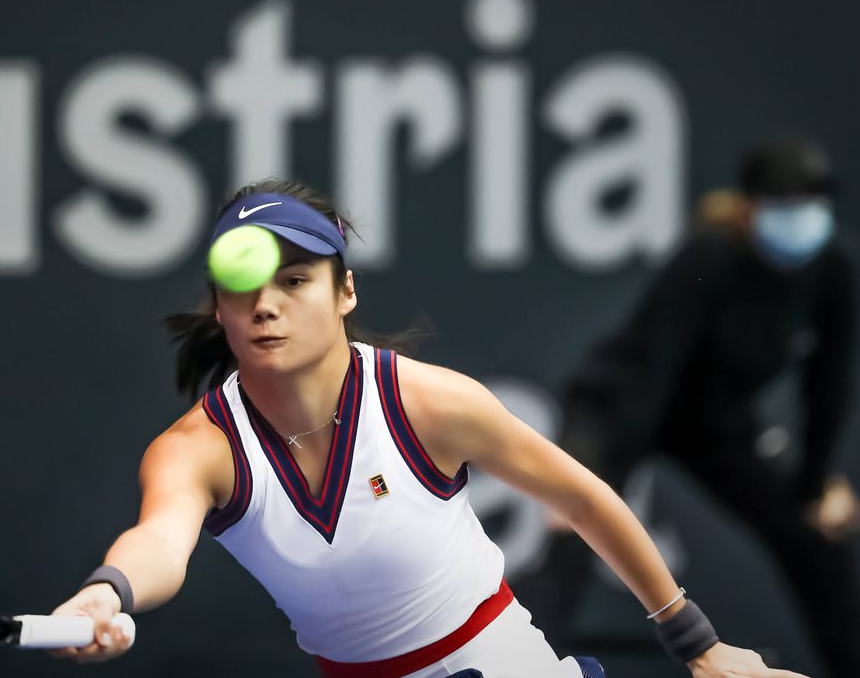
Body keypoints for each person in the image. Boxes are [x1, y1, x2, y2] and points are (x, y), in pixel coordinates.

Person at [48, 178, 808, 678]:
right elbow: (156, 542)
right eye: (245, 288)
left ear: (345, 292)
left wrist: (698, 646)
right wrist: (106, 594)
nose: (267, 305)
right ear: (221, 307)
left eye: (296, 280)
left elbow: (584, 498)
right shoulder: (197, 450)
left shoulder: (428, 404)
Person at [522, 138, 860, 677]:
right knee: (575, 531)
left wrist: (814, 487)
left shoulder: (833, 270)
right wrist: (588, 483)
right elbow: (652, 377)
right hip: (618, 410)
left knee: (816, 539)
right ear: (749, 208)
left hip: (712, 428)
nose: (800, 219)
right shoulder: (709, 257)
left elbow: (829, 383)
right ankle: (522, 668)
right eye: (784, 205)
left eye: (812, 204)